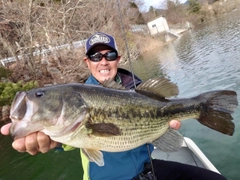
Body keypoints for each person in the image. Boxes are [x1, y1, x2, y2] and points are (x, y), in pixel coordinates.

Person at [1, 32, 226, 180]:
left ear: (118, 59)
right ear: (86, 62)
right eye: (95, 56)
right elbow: (65, 141)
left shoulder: (138, 88)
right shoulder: (74, 102)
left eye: (109, 54)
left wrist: (163, 128)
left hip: (147, 171)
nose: (103, 61)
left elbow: (163, 122)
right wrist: (51, 141)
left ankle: (202, 108)